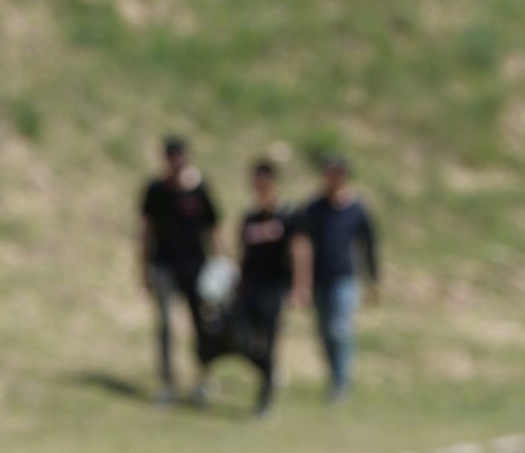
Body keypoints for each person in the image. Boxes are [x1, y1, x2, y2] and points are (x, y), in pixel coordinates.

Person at [139, 137, 219, 405]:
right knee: (164, 326)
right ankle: (167, 383)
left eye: (178, 156)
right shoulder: (156, 190)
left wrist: (221, 266)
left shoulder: (199, 189)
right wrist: (142, 267)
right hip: (164, 266)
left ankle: (203, 380)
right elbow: (146, 230)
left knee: (201, 325)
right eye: (170, 157)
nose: (174, 162)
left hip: (196, 267)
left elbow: (213, 227)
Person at [293, 154, 378, 399]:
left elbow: (368, 245)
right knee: (324, 332)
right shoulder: (313, 209)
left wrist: (373, 279)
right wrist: (301, 283)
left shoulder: (357, 209)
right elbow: (301, 246)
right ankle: (334, 377)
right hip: (319, 279)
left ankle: (341, 382)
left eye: (337, 174)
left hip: (345, 278)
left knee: (339, 329)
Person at [231, 157, 295, 413]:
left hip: (274, 287)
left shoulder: (287, 215)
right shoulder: (249, 216)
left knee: (269, 341)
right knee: (242, 340)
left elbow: (299, 251)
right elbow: (243, 252)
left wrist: (300, 286)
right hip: (250, 288)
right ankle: (269, 374)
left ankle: (265, 396)